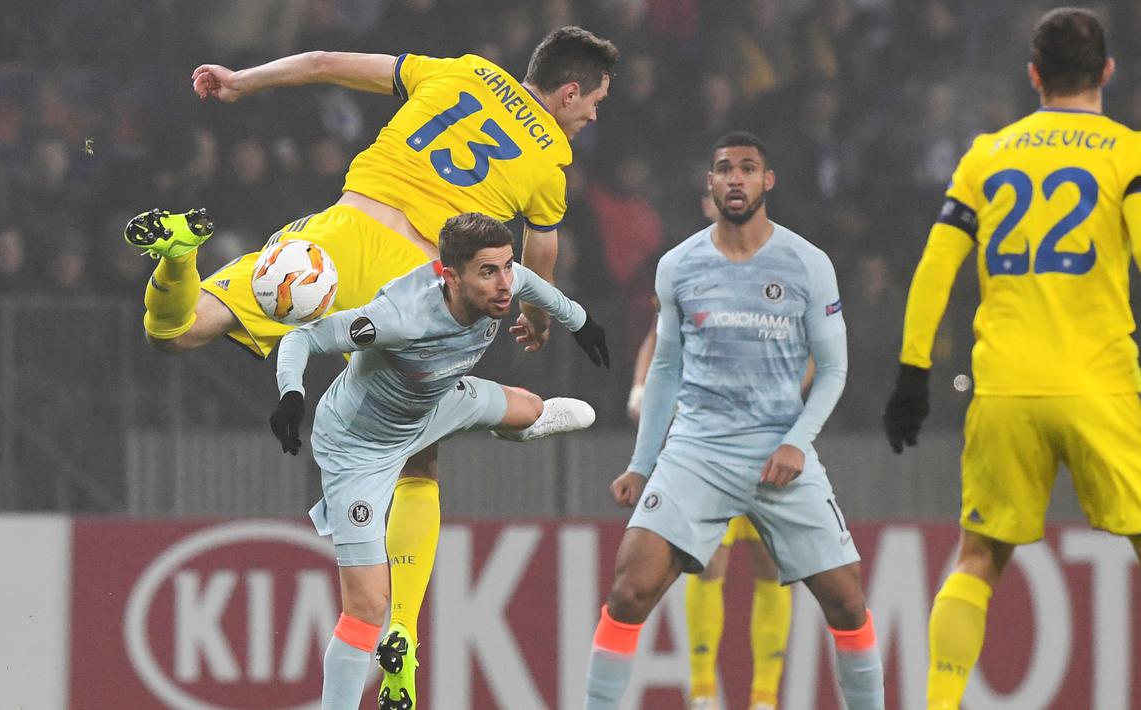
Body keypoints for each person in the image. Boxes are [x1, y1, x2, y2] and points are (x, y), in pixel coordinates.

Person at [124, 26, 618, 708]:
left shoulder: (457, 70)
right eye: (593, 101)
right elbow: (542, 253)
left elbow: (325, 62)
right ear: (569, 91)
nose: (592, 115)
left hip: (336, 237)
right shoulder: (547, 166)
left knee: (175, 332)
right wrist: (535, 319)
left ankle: (179, 255)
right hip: (413, 283)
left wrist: (241, 81)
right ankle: (404, 637)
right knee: (417, 459)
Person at [882, 8, 1141, 709]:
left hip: (1004, 389)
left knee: (977, 559)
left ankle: (938, 705)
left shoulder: (986, 155)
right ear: (1106, 74)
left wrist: (913, 370)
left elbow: (936, 267)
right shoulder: (1127, 154)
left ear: (1032, 76)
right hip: (1099, 385)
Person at [584, 132, 883, 710]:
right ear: (711, 184)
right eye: (725, 169)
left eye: (749, 168)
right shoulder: (679, 266)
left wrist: (798, 443)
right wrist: (642, 463)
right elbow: (666, 366)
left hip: (779, 452)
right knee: (628, 590)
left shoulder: (807, 263)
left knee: (848, 601)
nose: (736, 178)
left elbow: (836, 369)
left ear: (767, 181)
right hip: (697, 451)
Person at [270, 212, 608, 709]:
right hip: (358, 448)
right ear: (450, 276)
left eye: (506, 267)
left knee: (532, 409)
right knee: (366, 607)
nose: (503, 286)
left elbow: (535, 284)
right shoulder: (397, 316)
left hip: (435, 403)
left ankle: (521, 428)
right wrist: (291, 395)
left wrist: (581, 323)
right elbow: (304, 337)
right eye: (488, 273)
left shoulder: (506, 284)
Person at [628, 231, 794, 710]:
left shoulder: (780, 287)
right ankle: (702, 692)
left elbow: (807, 357)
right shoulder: (695, 278)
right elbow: (657, 337)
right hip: (711, 447)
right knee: (708, 564)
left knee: (770, 565)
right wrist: (641, 391)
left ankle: (764, 697)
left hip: (765, 442)